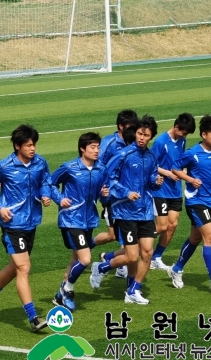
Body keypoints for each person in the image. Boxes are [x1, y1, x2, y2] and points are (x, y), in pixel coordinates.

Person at [0, 124, 52, 333]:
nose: (33, 148)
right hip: (12, 225)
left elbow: (46, 181)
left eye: (34, 144)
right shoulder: (4, 166)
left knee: (15, 267)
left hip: (32, 222)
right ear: (18, 146)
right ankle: (33, 317)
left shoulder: (40, 163)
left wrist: (45, 194)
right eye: (28, 145)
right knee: (24, 267)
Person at [90, 115, 163, 305]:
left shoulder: (152, 157)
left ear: (151, 136)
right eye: (139, 133)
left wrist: (156, 182)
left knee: (147, 253)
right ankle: (101, 268)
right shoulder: (123, 155)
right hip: (125, 211)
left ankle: (133, 290)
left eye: (145, 135)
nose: (141, 137)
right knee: (132, 256)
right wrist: (126, 192)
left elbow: (151, 182)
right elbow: (109, 179)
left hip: (145, 210)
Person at [167, 115, 211, 294]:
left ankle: (176, 269)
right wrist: (190, 179)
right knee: (210, 237)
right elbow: (174, 168)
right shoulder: (193, 152)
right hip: (196, 202)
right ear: (204, 135)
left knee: (195, 238)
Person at [50, 132, 109, 312]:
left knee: (76, 258)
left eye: (98, 147)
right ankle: (67, 289)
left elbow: (102, 195)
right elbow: (50, 183)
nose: (96, 150)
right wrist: (60, 199)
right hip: (71, 219)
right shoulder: (69, 167)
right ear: (82, 149)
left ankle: (59, 296)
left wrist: (104, 196)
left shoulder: (101, 169)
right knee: (85, 259)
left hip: (89, 220)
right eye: (92, 147)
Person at [95, 109, 139, 279]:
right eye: (130, 127)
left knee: (117, 234)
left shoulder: (133, 142)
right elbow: (99, 167)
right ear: (121, 126)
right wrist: (104, 192)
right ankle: (121, 267)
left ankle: (112, 259)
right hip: (112, 195)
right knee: (120, 233)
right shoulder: (109, 143)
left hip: (127, 194)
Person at [149, 113, 195, 270]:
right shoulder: (161, 142)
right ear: (176, 127)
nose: (184, 135)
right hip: (160, 190)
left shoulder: (182, 140)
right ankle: (135, 243)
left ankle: (156, 257)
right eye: (183, 132)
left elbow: (179, 161)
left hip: (175, 190)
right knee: (162, 226)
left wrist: (183, 172)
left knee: (173, 224)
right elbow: (150, 165)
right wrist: (168, 173)